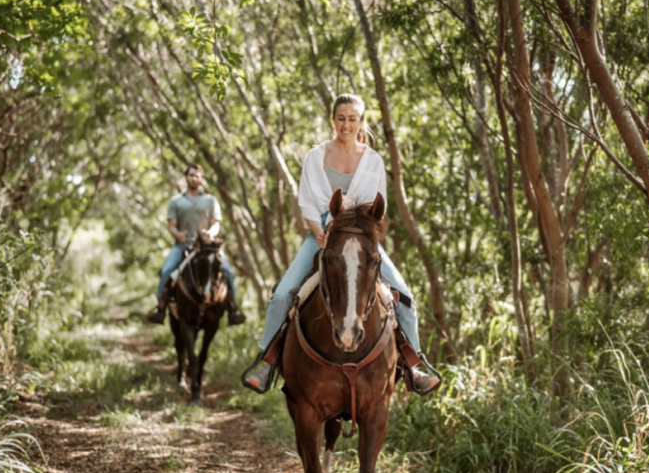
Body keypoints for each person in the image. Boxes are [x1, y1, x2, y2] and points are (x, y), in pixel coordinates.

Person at [242, 94, 441, 395]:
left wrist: (355, 228)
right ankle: (267, 362)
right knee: (283, 295)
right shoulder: (314, 156)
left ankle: (413, 364)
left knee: (406, 297)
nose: (345, 125)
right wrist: (320, 233)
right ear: (332, 120)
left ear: (361, 122)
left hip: (360, 240)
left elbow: (377, 207)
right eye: (340, 118)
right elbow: (307, 203)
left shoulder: (373, 160)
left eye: (352, 119)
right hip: (320, 237)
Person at [149, 164, 246, 326]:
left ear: (202, 179)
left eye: (197, 176)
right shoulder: (176, 201)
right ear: (186, 177)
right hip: (183, 246)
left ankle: (232, 307)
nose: (194, 178)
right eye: (191, 175)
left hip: (207, 247)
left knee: (228, 271)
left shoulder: (210, 200)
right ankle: (161, 308)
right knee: (166, 271)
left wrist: (211, 233)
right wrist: (177, 234)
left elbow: (216, 224)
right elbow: (172, 225)